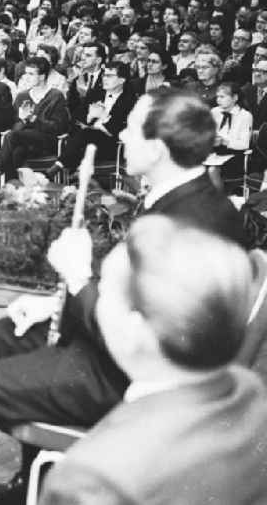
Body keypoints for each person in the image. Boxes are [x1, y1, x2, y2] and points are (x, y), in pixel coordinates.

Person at [0, 88, 247, 505]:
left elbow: (149, 342)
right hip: (122, 352)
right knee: (8, 334)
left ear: (155, 148)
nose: (120, 136)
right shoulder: (184, 198)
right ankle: (33, 483)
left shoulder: (192, 223)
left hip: (128, 374)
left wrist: (80, 280)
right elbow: (137, 292)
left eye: (130, 129)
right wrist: (53, 303)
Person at [40, 216, 267, 505]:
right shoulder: (248, 390)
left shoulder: (93, 479)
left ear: (136, 330)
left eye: (105, 289)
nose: (99, 298)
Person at [0, 57, 70, 182]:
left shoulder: (56, 96)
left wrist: (33, 119)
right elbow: (14, 124)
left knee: (12, 137)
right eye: (25, 73)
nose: (26, 77)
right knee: (16, 152)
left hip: (46, 141)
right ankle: (18, 187)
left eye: (31, 74)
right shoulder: (22, 96)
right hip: (24, 142)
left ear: (42, 76)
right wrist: (22, 121)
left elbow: (58, 127)